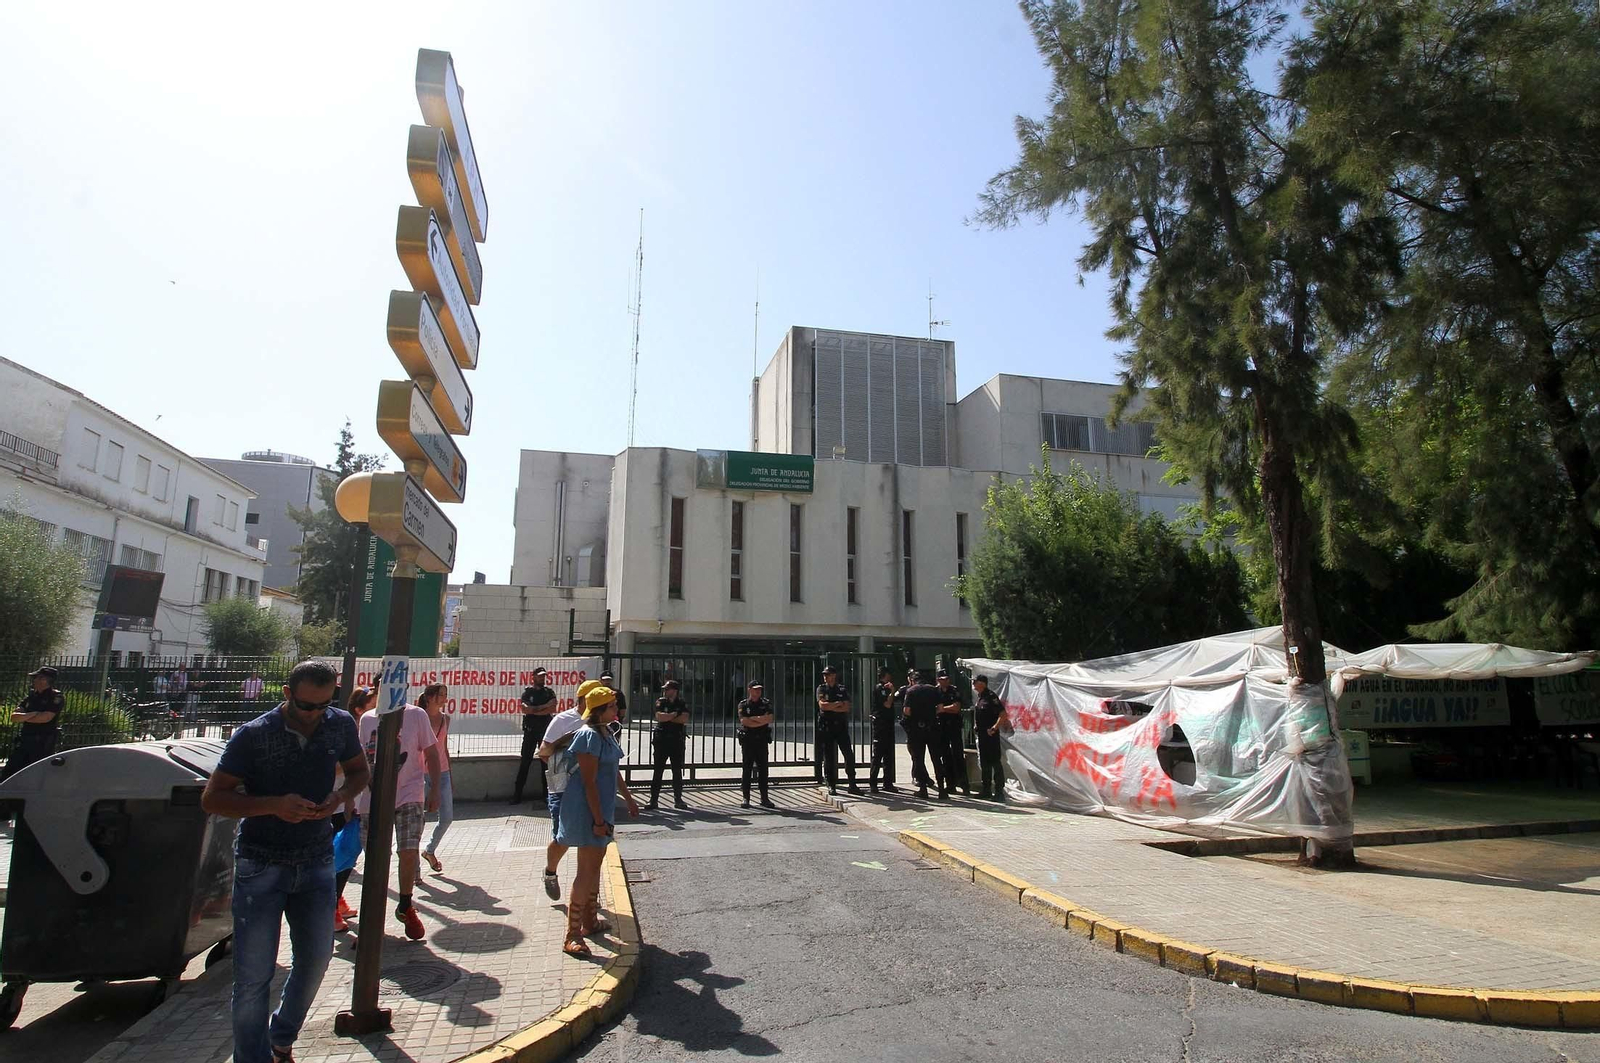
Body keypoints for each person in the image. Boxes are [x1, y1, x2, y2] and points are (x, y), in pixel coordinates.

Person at [201, 660, 368, 1063]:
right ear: (287, 694)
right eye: (306, 706)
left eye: (323, 705)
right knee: (254, 977)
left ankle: (281, 1038)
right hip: (261, 864)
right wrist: (273, 805)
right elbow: (213, 798)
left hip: (316, 860)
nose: (314, 715)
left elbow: (359, 772)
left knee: (316, 959)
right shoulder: (253, 735)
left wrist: (338, 797)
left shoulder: (340, 724)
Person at [555, 685, 639, 956]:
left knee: (595, 866)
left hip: (602, 810)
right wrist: (598, 820)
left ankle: (590, 920)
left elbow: (613, 771)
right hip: (587, 811)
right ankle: (572, 934)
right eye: (612, 706)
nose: (617, 710)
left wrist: (629, 799)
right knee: (586, 871)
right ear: (600, 709)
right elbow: (589, 782)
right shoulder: (588, 735)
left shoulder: (606, 732)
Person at [356, 694, 442, 941]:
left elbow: (432, 753)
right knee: (375, 859)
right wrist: (351, 798)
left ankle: (405, 904)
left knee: (408, 850)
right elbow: (361, 760)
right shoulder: (368, 719)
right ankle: (372, 918)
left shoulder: (416, 715)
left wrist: (434, 790)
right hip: (373, 798)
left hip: (409, 794)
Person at [332, 687, 375, 933]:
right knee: (338, 855)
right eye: (372, 703)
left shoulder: (369, 732)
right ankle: (330, 907)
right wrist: (357, 764)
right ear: (359, 710)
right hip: (336, 803)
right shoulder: (346, 732)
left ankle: (336, 899)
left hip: (354, 802)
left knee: (348, 855)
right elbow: (336, 766)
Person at [3, 666, 65, 781]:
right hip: (25, 739)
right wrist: (33, 714)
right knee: (10, 772)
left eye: (37, 678)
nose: (34, 680)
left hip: (42, 742)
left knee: (36, 773)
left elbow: (45, 718)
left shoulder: (55, 697)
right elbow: (14, 717)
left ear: (44, 680)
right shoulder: (31, 697)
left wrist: (24, 717)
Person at [420, 684, 454, 874]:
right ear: (430, 697)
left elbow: (444, 747)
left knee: (447, 818)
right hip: (421, 772)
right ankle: (414, 869)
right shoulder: (419, 717)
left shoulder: (446, 719)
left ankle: (429, 850)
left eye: (445, 695)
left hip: (443, 772)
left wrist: (450, 774)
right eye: (441, 695)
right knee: (418, 820)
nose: (444, 698)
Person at [511, 667, 558, 804]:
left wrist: (535, 710)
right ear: (533, 677)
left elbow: (552, 708)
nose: (542, 678)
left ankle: (546, 796)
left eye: (544, 676)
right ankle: (517, 795)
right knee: (525, 762)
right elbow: (525, 709)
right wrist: (543, 707)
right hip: (530, 731)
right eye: (539, 676)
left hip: (545, 732)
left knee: (545, 764)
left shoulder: (549, 692)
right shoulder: (528, 693)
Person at [815, 665, 863, 796]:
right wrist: (837, 704)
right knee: (829, 757)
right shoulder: (822, 688)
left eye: (828, 674)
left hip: (841, 726)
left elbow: (846, 707)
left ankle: (852, 783)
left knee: (848, 755)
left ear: (834, 675)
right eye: (824, 675)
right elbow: (823, 706)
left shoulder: (841, 689)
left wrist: (832, 706)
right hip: (827, 726)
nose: (826, 677)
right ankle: (831, 784)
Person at [901, 670, 946, 799]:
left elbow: (907, 711)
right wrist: (930, 715)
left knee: (918, 759)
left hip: (916, 729)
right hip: (932, 727)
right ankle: (942, 789)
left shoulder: (911, 691)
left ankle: (923, 789)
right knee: (936, 759)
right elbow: (941, 708)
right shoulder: (933, 690)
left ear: (912, 680)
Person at [648, 679, 690, 810]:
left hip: (676, 740)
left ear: (675, 690)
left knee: (677, 771)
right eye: (665, 689)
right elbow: (660, 717)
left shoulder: (681, 703)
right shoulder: (661, 702)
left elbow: (684, 719)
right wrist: (675, 715)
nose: (665, 691)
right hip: (662, 740)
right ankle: (653, 800)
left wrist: (669, 717)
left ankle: (678, 799)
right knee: (658, 770)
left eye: (668, 689)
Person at [737, 680, 776, 809]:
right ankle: (746, 798)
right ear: (749, 690)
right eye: (755, 689)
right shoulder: (743, 704)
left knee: (763, 769)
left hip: (762, 740)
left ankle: (764, 798)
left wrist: (754, 719)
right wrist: (760, 719)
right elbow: (744, 721)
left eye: (759, 689)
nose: (758, 691)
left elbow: (769, 719)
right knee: (747, 768)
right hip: (748, 740)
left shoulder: (765, 703)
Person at [935, 670, 970, 796]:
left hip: (954, 727)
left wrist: (942, 709)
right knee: (945, 757)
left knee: (958, 756)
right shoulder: (935, 691)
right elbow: (935, 709)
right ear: (938, 680)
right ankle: (950, 785)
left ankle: (965, 786)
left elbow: (956, 708)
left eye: (946, 679)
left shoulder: (954, 690)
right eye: (942, 679)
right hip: (941, 727)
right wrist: (945, 709)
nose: (945, 681)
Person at [973, 675, 1009, 800]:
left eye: (975, 682)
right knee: (985, 763)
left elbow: (1003, 714)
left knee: (995, 763)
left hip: (991, 735)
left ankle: (999, 792)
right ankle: (986, 790)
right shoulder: (980, 697)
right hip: (982, 735)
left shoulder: (991, 697)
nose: (973, 684)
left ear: (982, 683)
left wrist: (994, 727)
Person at [869, 667, 901, 794]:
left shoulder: (887, 688)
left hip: (888, 724)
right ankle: (873, 783)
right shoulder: (879, 688)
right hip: (880, 725)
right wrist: (892, 691)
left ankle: (887, 783)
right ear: (885, 675)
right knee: (878, 755)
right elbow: (887, 704)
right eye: (888, 674)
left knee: (888, 755)